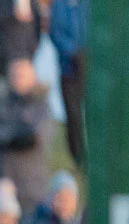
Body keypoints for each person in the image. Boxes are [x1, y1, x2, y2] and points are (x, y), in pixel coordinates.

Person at [0, 57, 52, 215]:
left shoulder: (42, 107)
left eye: (22, 75)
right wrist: (14, 134)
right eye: (14, 75)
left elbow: (33, 137)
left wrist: (2, 134)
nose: (18, 80)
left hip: (30, 190)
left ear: (33, 78)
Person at [48, 0, 85, 166]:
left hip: (93, 69)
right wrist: (72, 52)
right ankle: (78, 158)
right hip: (69, 69)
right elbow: (56, 32)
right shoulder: (60, 5)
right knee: (73, 115)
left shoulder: (92, 5)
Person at [0, 0, 39, 82]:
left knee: (25, 91)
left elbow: (36, 23)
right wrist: (11, 13)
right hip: (0, 54)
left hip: (25, 55)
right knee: (3, 91)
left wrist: (32, 49)